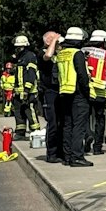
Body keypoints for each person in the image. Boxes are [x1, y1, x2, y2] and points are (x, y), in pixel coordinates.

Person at [58, 25, 94, 167]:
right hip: (78, 94)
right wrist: (87, 92)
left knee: (68, 125)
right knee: (79, 127)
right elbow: (82, 76)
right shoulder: (77, 53)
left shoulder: (62, 53)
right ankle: (77, 157)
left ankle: (67, 157)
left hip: (64, 92)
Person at [85, 29, 106, 155]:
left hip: (85, 91)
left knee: (83, 118)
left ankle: (86, 136)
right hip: (100, 93)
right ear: (103, 42)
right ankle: (97, 148)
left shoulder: (83, 51)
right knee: (100, 120)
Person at [40, 30, 65, 163]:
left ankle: (62, 152)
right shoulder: (42, 53)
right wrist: (54, 40)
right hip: (50, 92)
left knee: (63, 124)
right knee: (53, 124)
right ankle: (52, 154)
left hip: (61, 91)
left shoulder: (59, 54)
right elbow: (47, 56)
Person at [13, 34, 41, 134]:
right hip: (18, 92)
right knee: (19, 112)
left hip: (29, 92)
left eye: (19, 47)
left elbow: (31, 74)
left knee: (30, 111)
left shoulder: (30, 56)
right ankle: (20, 131)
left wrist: (26, 90)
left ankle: (35, 131)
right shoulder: (20, 58)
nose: (17, 49)